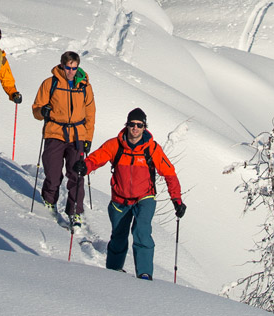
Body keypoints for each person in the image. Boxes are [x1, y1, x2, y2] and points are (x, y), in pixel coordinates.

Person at [73, 108, 186, 280]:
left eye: (139, 125)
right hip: (120, 199)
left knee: (142, 231)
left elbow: (169, 173)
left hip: (144, 198)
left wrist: (176, 200)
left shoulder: (152, 149)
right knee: (118, 236)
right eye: (132, 124)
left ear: (144, 127)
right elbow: (96, 158)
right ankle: (113, 271)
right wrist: (85, 166)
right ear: (127, 125)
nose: (135, 128)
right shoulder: (114, 145)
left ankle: (144, 274)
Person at [31, 50, 95, 228]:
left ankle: (75, 212)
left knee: (77, 174)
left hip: (77, 135)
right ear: (62, 65)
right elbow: (36, 109)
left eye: (74, 68)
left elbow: (90, 113)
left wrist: (88, 138)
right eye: (68, 67)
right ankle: (49, 201)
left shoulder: (84, 86)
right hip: (55, 132)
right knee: (52, 172)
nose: (71, 72)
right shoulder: (50, 83)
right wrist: (42, 111)